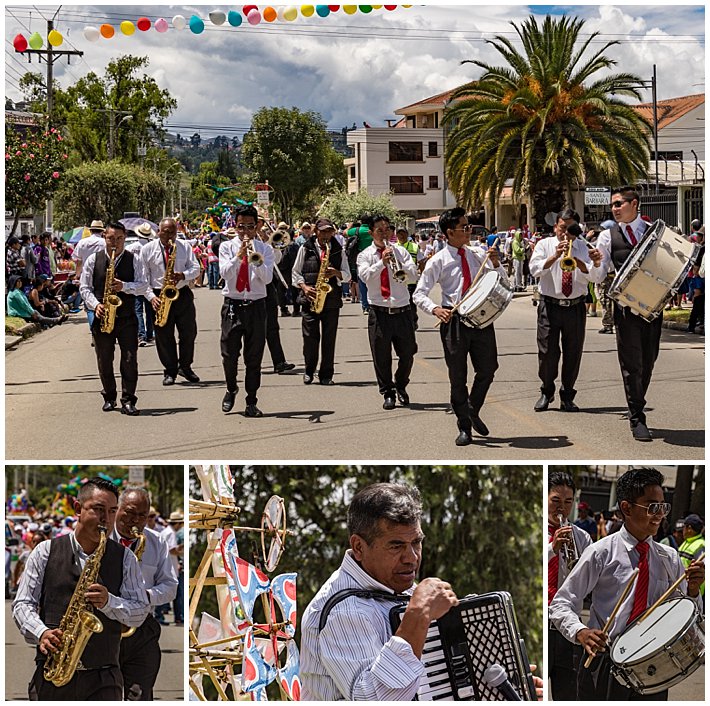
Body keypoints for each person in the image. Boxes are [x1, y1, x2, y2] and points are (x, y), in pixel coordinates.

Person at [549, 468, 704, 701]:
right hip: (606, 663)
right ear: (626, 508)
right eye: (652, 507)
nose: (659, 514)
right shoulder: (601, 552)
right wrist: (580, 632)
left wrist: (693, 591)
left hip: (653, 666)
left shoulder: (669, 558)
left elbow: (688, 612)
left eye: (663, 507)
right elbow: (561, 604)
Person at [300, 483, 459, 700]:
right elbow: (372, 699)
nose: (411, 557)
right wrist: (418, 616)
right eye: (396, 546)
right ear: (358, 547)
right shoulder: (346, 612)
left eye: (416, 542)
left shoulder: (393, 586)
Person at [12, 477, 150, 701]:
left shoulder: (125, 558)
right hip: (52, 674)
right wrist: (41, 632)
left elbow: (140, 611)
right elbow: (22, 604)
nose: (106, 519)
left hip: (104, 678)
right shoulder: (44, 551)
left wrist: (110, 602)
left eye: (112, 511)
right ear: (78, 508)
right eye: (98, 509)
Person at [413, 207, 506, 446]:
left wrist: (495, 264)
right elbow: (419, 293)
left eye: (469, 226)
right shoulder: (438, 260)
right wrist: (435, 309)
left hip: (480, 319)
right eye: (464, 227)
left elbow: (498, 279)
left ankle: (472, 409)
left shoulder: (477, 253)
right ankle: (464, 425)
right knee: (458, 377)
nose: (469, 231)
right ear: (448, 233)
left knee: (488, 368)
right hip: (453, 320)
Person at [589, 187, 663, 441]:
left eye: (619, 204)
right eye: (613, 205)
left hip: (652, 309)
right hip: (626, 309)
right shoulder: (607, 236)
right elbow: (599, 276)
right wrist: (597, 262)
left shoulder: (655, 231)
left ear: (635, 204)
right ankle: (637, 416)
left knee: (649, 361)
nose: (614, 208)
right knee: (632, 364)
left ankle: (638, 403)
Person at [529, 210, 601, 412]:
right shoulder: (544, 245)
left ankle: (567, 395)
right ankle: (547, 390)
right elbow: (534, 270)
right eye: (562, 228)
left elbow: (595, 278)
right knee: (547, 353)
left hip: (575, 307)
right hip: (549, 305)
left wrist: (585, 264)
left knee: (573, 353)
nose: (565, 233)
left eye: (570, 229)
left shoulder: (585, 247)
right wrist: (555, 256)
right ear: (555, 228)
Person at [112, 487, 178, 700]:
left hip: (141, 628)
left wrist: (146, 596)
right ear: (117, 509)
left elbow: (170, 586)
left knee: (139, 694)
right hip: (105, 628)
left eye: (142, 515)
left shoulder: (156, 541)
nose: (135, 520)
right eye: (130, 512)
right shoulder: (99, 536)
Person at [79, 222, 148, 416]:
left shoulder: (134, 259)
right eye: (111, 239)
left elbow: (143, 286)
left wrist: (124, 286)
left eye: (119, 239)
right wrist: (96, 305)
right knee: (104, 359)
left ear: (125, 238)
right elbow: (84, 288)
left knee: (129, 358)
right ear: (104, 238)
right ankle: (109, 396)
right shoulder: (94, 260)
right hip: (102, 315)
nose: (115, 243)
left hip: (126, 316)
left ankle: (128, 399)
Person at [357, 215, 419, 409]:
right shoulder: (364, 255)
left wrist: (399, 262)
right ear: (371, 232)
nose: (384, 233)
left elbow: (413, 273)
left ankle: (401, 384)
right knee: (381, 356)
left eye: (387, 230)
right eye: (379, 230)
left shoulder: (400, 251)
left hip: (402, 310)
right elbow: (365, 277)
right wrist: (381, 263)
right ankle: (388, 392)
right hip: (379, 311)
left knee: (408, 353)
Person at [219, 204, 274, 417]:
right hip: (232, 304)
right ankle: (231, 387)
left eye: (250, 227)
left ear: (257, 226)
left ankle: (251, 399)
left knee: (254, 357)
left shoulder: (265, 249)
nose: (245, 232)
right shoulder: (226, 247)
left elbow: (267, 279)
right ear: (235, 225)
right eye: (241, 227)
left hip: (256, 306)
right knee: (229, 355)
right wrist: (238, 256)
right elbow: (224, 274)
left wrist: (255, 259)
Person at [547, 471, 593, 701]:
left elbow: (590, 582)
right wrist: (551, 549)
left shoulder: (583, 538)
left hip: (568, 625)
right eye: (556, 500)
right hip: (542, 620)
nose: (562, 508)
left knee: (568, 694)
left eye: (568, 502)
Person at [141, 218, 201, 385]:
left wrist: (183, 275)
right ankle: (170, 370)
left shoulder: (184, 246)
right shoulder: (147, 250)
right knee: (163, 336)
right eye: (165, 232)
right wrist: (151, 297)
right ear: (158, 232)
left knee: (189, 332)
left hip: (181, 293)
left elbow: (195, 268)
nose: (169, 236)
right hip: (158, 295)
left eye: (172, 232)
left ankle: (186, 366)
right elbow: (143, 278)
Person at [292, 217, 351, 385]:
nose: (326, 235)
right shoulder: (306, 248)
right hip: (310, 297)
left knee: (329, 339)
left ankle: (326, 374)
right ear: (316, 231)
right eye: (323, 231)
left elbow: (348, 275)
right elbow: (295, 272)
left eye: (329, 231)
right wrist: (304, 287)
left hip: (331, 299)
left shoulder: (338, 250)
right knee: (310, 338)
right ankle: (309, 371)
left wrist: (337, 273)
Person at [257, 220, 296, 374]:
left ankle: (279, 361)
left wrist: (269, 242)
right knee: (253, 329)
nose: (260, 228)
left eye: (261, 225)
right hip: (249, 288)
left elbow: (277, 260)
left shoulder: (266, 241)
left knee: (272, 326)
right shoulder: (241, 242)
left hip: (267, 284)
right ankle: (253, 362)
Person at [130, 223, 156, 347]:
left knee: (138, 310)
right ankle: (150, 333)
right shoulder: (153, 246)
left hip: (136, 281)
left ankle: (141, 335)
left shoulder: (131, 247)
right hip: (149, 282)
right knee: (150, 310)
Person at [678, 514, 705, 598]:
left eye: (684, 527)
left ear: (689, 528)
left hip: (694, 592)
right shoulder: (687, 542)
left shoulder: (701, 545)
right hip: (682, 588)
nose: (682, 530)